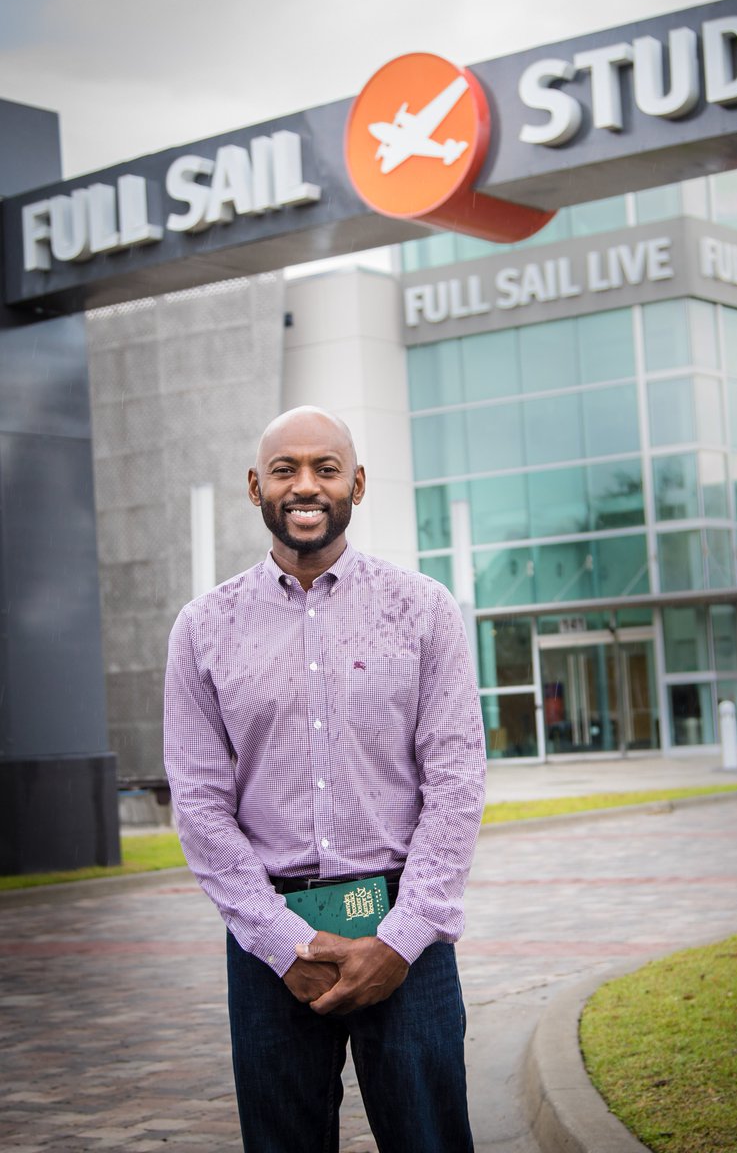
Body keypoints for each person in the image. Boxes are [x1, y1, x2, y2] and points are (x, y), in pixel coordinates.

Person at [163, 406, 487, 1153]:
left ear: (357, 484)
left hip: (406, 928)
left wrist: (400, 940)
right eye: (285, 469)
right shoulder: (203, 629)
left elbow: (457, 780)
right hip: (269, 942)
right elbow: (201, 804)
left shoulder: (422, 610)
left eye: (325, 468)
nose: (305, 485)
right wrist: (283, 943)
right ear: (256, 486)